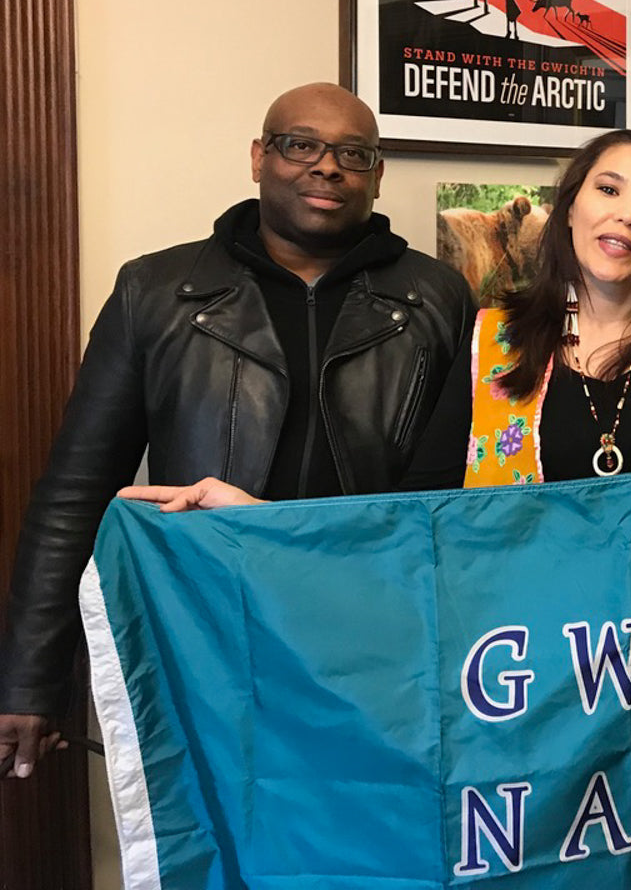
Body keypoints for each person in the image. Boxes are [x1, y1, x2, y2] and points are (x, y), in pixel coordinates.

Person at [0, 84, 475, 779]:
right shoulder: (157, 291)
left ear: (377, 174)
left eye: (353, 153)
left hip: (378, 641)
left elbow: (459, 496)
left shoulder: (437, 297)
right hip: (209, 637)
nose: (326, 167)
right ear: (260, 157)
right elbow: (76, 494)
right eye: (300, 145)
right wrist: (29, 678)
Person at [399, 130, 631, 485]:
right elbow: (428, 508)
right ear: (570, 209)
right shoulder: (493, 342)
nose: (628, 215)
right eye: (608, 189)